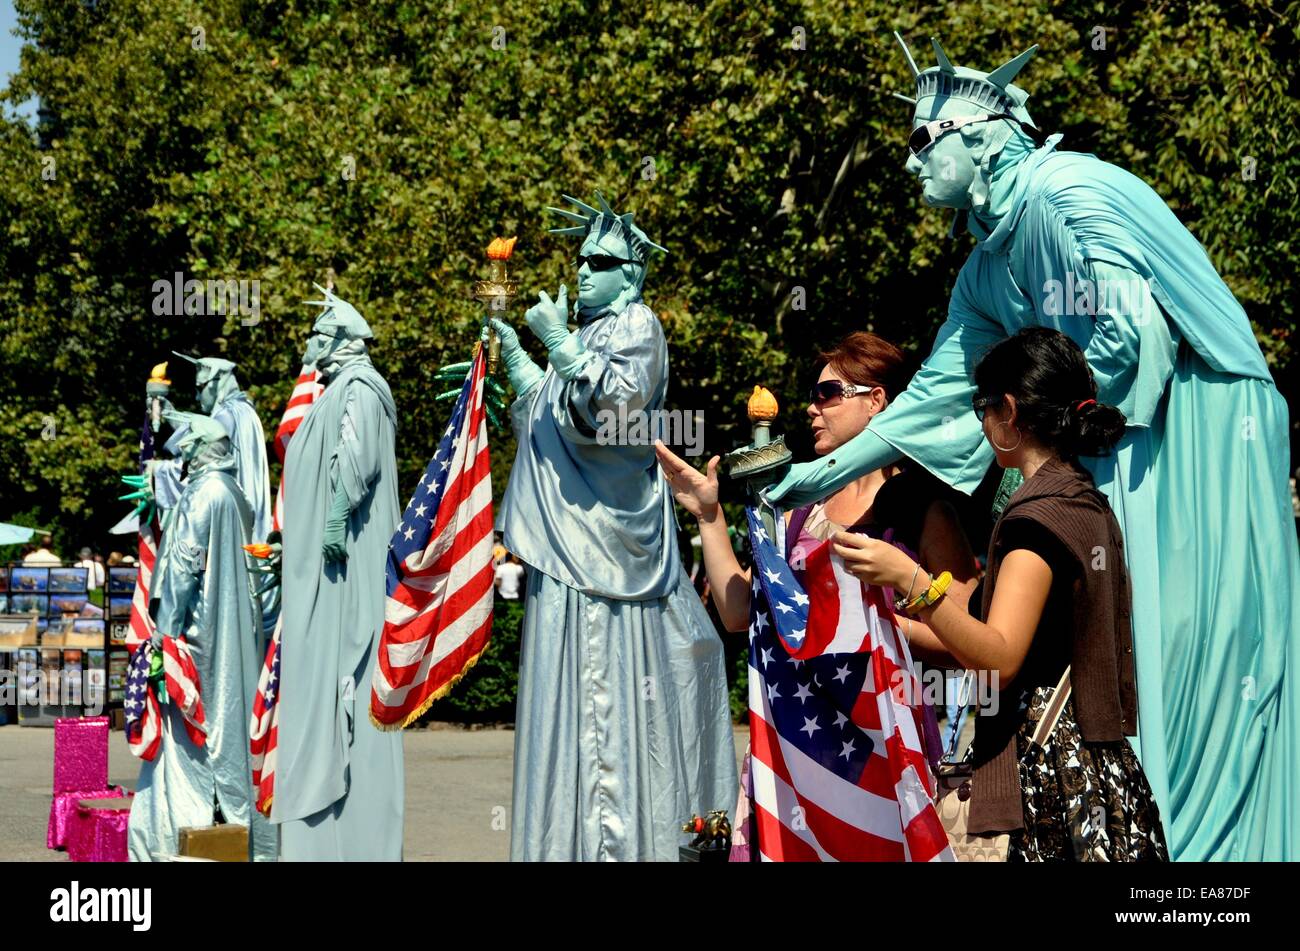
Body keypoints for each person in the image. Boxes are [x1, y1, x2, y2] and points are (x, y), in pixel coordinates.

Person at [766, 35, 1299, 862]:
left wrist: (1058, 448)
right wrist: (812, 474)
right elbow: (932, 400)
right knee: (1119, 644)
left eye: (920, 142)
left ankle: (1201, 859)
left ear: (977, 137)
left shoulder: (1065, 193)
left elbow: (1137, 343)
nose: (910, 166)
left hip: (1197, 419)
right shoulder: (987, 264)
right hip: (1112, 438)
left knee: (1176, 650)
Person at [836, 328, 1168, 861]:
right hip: (1096, 771)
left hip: (1055, 785)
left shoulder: (1036, 519)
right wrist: (886, 626)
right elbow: (992, 633)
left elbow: (1000, 656)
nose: (980, 422)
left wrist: (909, 579)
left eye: (981, 406)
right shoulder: (1082, 499)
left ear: (1009, 410)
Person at [656, 331, 979, 860]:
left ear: (877, 400)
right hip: (797, 742)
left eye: (829, 393)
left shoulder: (923, 508)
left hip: (882, 739)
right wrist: (709, 517)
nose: (812, 408)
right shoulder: (800, 508)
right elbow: (741, 615)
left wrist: (870, 628)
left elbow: (971, 636)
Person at [493, 191, 736, 861]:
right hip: (570, 548)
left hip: (607, 554)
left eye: (599, 261)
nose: (583, 272)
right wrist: (519, 364)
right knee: (565, 703)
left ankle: (621, 845)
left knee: (609, 699)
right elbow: (553, 428)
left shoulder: (637, 325)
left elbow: (618, 417)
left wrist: (558, 344)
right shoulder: (595, 332)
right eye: (580, 261)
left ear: (631, 274)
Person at [272, 285, 404, 861]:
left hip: (345, 570)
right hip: (323, 573)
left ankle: (354, 839)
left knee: (344, 685)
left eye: (320, 334)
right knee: (317, 687)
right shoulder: (335, 390)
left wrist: (332, 520)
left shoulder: (360, 388)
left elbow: (356, 460)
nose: (311, 343)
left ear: (348, 339)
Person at [127, 412, 274, 861]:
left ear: (205, 450)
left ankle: (177, 837)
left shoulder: (201, 494)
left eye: (189, 449)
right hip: (234, 637)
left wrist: (163, 635)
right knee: (231, 734)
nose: (183, 456)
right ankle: (241, 837)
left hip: (195, 639)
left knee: (188, 739)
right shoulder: (236, 493)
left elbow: (182, 570)